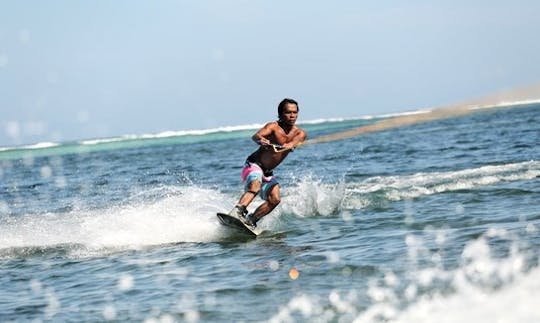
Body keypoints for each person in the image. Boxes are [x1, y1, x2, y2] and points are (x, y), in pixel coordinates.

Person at [229, 98, 307, 229]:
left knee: (275, 199)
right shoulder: (272, 127)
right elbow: (256, 136)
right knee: (255, 186)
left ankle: (251, 220)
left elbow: (295, 142)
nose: (292, 116)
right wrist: (261, 140)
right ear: (281, 113)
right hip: (254, 165)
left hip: (268, 172)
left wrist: (291, 145)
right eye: (288, 112)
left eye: (295, 112)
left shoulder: (300, 133)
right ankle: (237, 211)